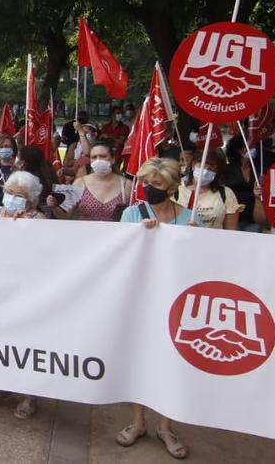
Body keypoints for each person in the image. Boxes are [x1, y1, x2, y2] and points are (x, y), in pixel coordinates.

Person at [116, 157, 192, 459]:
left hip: (176, 302)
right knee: (140, 361)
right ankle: (138, 421)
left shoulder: (188, 218)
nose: (149, 188)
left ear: (171, 187)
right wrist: (141, 236)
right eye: (146, 182)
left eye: (156, 184)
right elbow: (120, 252)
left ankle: (165, 426)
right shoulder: (132, 214)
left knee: (172, 362)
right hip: (140, 300)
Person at [0, 170, 44, 418]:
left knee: (25, 343)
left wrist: (26, 228)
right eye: (9, 192)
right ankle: (0, 386)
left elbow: (45, 252)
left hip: (26, 291)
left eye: (19, 195)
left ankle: (29, 394)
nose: (12, 198)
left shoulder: (39, 219)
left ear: (30, 200)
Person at [59, 141, 129, 221]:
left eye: (103, 156)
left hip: (117, 233)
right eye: (94, 157)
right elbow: (65, 216)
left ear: (113, 159)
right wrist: (54, 206)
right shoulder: (79, 183)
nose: (98, 160)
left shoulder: (126, 185)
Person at [176, 148, 240, 230]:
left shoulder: (226, 194)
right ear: (193, 164)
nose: (205, 171)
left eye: (211, 169)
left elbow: (231, 232)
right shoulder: (176, 189)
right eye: (202, 165)